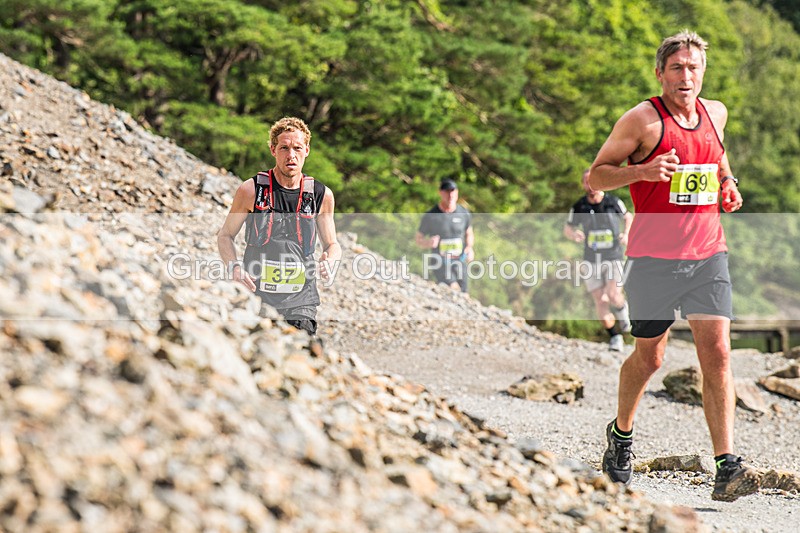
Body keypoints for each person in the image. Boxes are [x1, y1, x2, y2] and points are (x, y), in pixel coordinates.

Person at [588, 30, 758, 502]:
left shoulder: (715, 113)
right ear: (660, 72)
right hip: (653, 261)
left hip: (708, 254)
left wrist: (729, 184)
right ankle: (621, 436)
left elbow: (718, 158)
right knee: (651, 357)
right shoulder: (642, 120)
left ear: (704, 72)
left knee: (719, 352)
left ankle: (726, 466)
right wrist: (641, 172)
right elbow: (596, 175)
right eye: (678, 68)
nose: (687, 77)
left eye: (695, 67)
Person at [217, 117, 341, 336]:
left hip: (301, 299)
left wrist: (330, 261)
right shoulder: (250, 191)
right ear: (273, 150)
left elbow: (332, 244)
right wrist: (234, 268)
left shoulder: (322, 195)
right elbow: (225, 235)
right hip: (257, 295)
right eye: (284, 148)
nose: (291, 155)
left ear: (307, 150)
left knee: (300, 354)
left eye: (297, 148)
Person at [564, 169, 633, 352]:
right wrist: (573, 234)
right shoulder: (579, 206)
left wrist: (626, 234)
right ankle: (615, 337)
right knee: (600, 300)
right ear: (583, 185)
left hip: (612, 256)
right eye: (586, 182)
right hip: (591, 259)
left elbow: (628, 217)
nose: (590, 185)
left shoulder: (612, 202)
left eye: (593, 180)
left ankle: (622, 310)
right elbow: (568, 228)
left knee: (612, 295)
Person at [415, 178, 474, 292]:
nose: (450, 195)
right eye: (447, 191)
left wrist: (469, 248)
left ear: (457, 193)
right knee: (453, 289)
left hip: (459, 261)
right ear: (440, 193)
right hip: (439, 262)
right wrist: (428, 243)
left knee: (464, 293)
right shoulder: (431, 215)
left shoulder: (464, 213)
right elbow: (418, 239)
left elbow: (469, 233)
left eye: (453, 191)